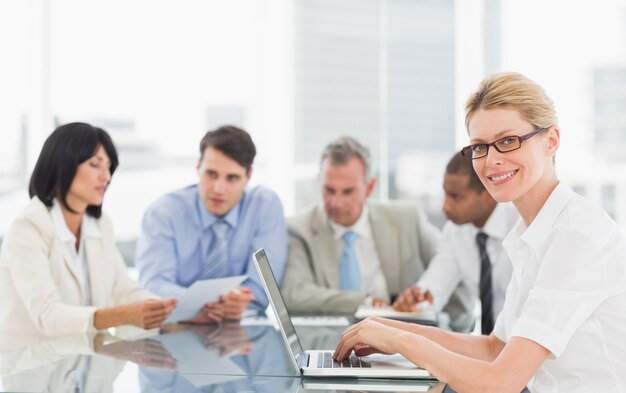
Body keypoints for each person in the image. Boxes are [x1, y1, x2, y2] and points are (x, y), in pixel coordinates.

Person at [333, 72, 626, 392]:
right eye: (479, 147)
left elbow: (500, 383)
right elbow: (494, 349)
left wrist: (399, 340)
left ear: (551, 140)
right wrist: (382, 328)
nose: (492, 161)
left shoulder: (575, 235)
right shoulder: (532, 232)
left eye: (508, 141)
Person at [0, 122, 177, 338]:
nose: (106, 177)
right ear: (63, 165)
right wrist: (123, 315)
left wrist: (167, 309)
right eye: (95, 165)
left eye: (109, 167)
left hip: (80, 364)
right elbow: (48, 316)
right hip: (33, 366)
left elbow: (123, 291)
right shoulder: (28, 227)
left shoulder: (100, 224)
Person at [282, 136, 471, 316]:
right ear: (319, 182)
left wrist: (452, 326)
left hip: (401, 336)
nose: (336, 203)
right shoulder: (300, 228)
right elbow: (295, 293)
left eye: (348, 192)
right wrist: (367, 302)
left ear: (370, 188)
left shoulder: (407, 219)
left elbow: (454, 266)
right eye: (329, 190)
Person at [136, 125, 288, 321]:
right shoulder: (164, 212)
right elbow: (153, 284)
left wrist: (238, 303)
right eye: (211, 174)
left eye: (232, 178)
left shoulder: (264, 206)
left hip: (242, 331)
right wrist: (205, 307)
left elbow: (262, 290)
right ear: (198, 168)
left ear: (248, 176)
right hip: (177, 326)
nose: (218, 189)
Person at [393, 152, 518, 335]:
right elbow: (435, 285)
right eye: (445, 194)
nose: (446, 206)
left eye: (456, 197)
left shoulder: (520, 226)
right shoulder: (456, 232)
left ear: (489, 193)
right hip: (487, 347)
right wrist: (417, 297)